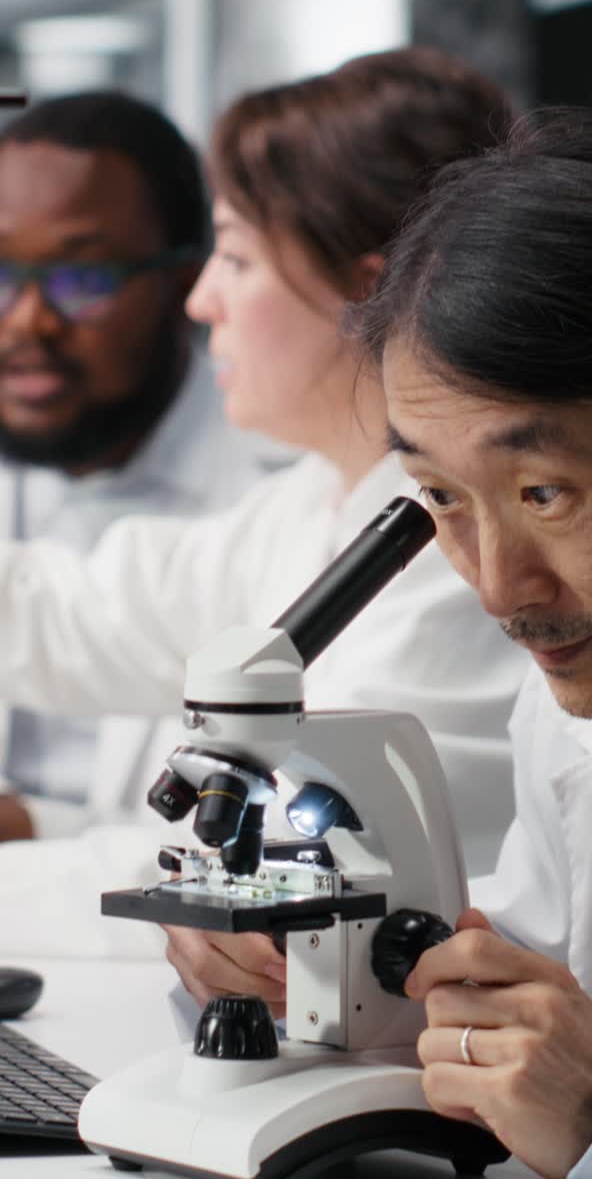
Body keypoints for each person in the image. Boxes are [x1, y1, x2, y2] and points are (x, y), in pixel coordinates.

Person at [0, 48, 528, 962]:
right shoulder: (314, 507)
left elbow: (286, 868)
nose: (200, 300)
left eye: (235, 257)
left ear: (372, 292)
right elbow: (71, 615)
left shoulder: (471, 557)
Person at [350, 108, 592, 1178]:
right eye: (440, 497)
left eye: (545, 491)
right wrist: (304, 984)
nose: (499, 586)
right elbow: (530, 1008)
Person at [0, 90, 277, 847]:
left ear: (189, 281)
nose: (27, 320)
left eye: (83, 280)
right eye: (0, 272)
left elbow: (272, 840)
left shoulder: (279, 492)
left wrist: (31, 830)